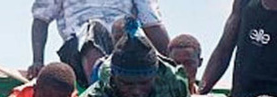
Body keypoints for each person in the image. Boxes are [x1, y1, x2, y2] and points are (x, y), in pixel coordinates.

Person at [29, 0, 171, 83]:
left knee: (128, 30)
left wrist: (174, 64)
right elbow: (41, 20)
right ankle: (99, 88)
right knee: (93, 29)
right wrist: (37, 61)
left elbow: (152, 24)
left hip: (123, 45)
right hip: (77, 50)